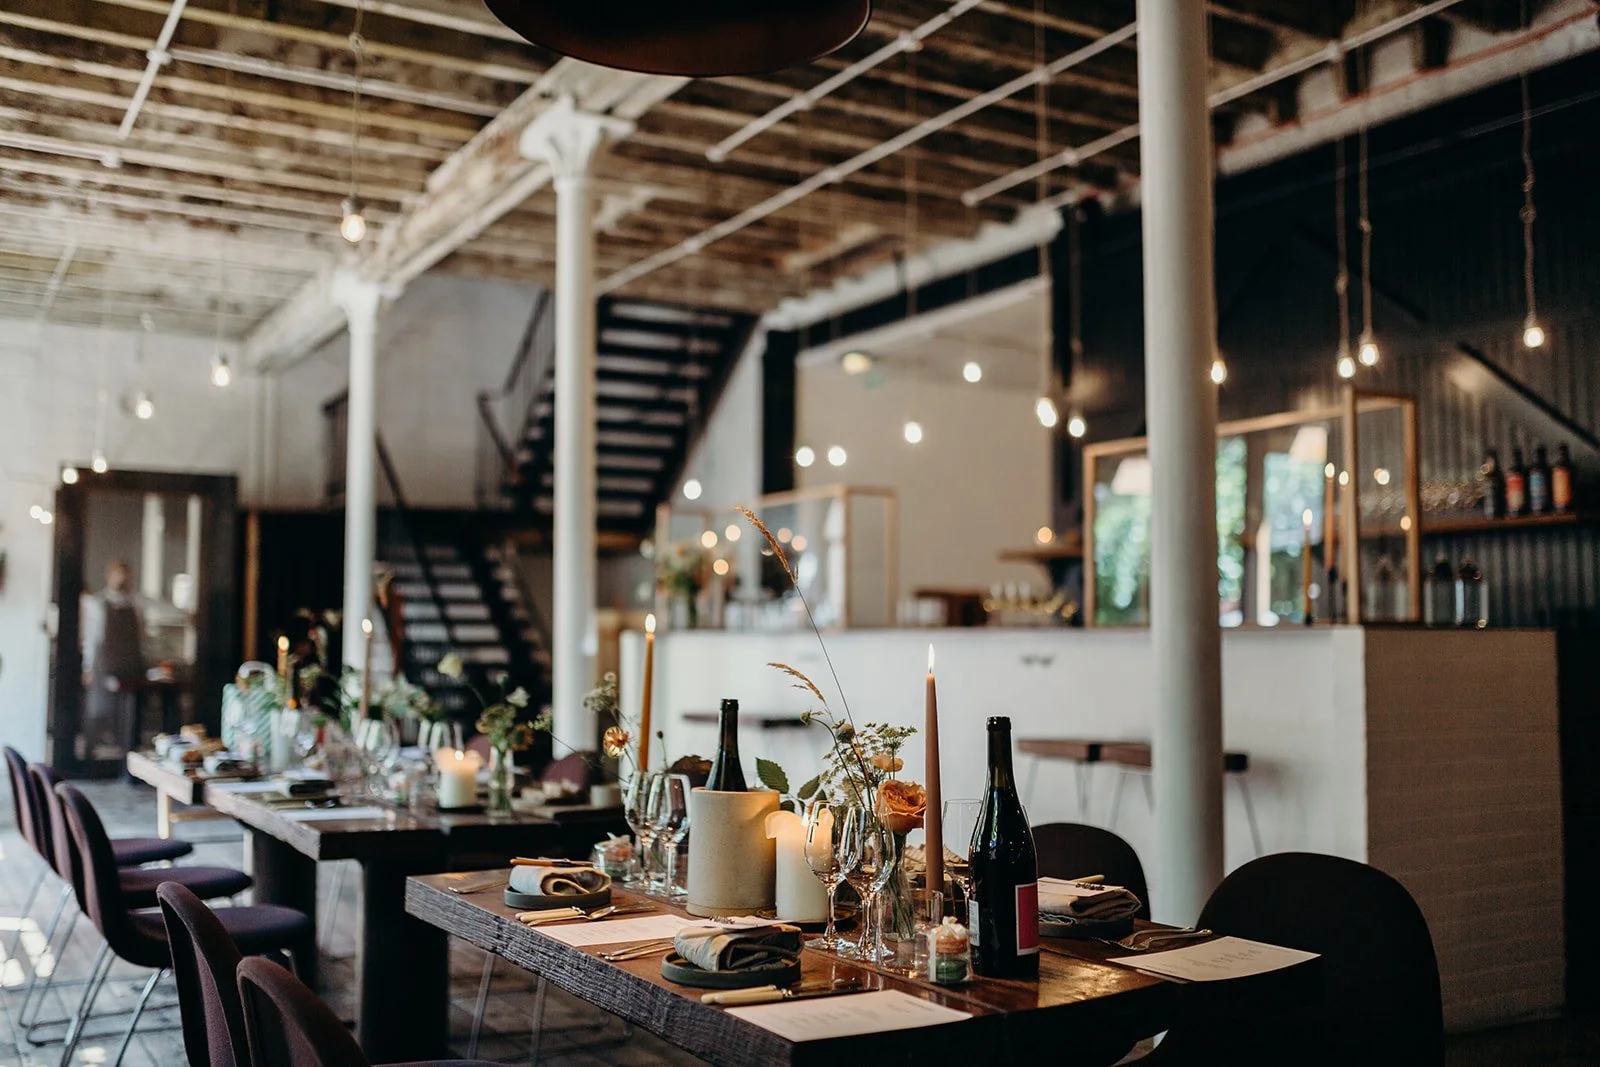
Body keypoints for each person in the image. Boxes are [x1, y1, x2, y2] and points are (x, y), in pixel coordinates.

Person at [82, 559, 147, 757]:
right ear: (109, 576)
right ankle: (91, 754)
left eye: (125, 574)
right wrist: (87, 665)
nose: (122, 579)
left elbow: (142, 636)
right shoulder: (98, 604)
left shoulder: (136, 604)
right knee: (100, 709)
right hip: (105, 664)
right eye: (118, 574)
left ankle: (127, 755)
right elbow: (92, 637)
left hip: (131, 665)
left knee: (128, 713)